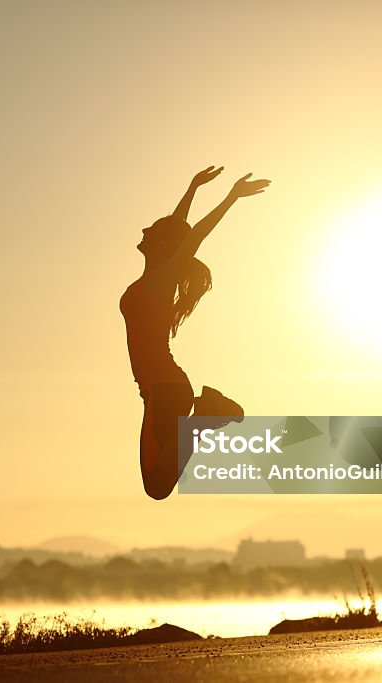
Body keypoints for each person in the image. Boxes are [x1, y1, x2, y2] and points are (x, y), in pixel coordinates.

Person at [120, 166, 270, 498]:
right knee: (157, 485)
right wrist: (192, 188)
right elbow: (176, 230)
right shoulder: (156, 279)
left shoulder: (159, 283)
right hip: (158, 390)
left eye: (153, 230)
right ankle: (206, 414)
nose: (145, 228)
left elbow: (191, 236)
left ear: (162, 245)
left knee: (157, 488)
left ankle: (207, 415)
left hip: (164, 389)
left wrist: (230, 197)